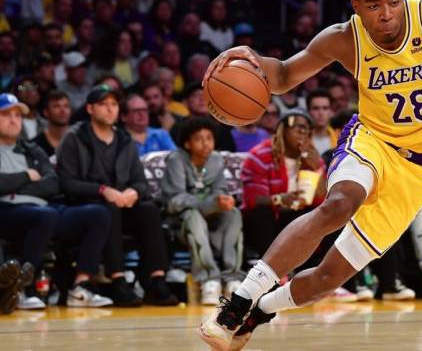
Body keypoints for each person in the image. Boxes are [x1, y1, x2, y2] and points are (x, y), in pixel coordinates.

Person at [199, 0, 422, 351]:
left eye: (393, 1)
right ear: (356, 6)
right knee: (338, 205)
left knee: (328, 277)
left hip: (420, 169)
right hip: (373, 139)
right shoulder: (344, 38)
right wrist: (249, 57)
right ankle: (237, 302)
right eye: (373, 5)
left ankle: (259, 313)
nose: (386, 13)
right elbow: (284, 75)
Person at [56, 84, 178, 306]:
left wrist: (133, 191)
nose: (110, 109)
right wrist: (103, 190)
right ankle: (117, 279)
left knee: (148, 210)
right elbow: (66, 183)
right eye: (103, 104)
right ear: (90, 109)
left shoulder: (124, 140)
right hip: (87, 206)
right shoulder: (73, 138)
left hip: (122, 204)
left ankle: (156, 279)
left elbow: (141, 182)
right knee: (109, 209)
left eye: (114, 104)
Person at [0, 93, 113, 309]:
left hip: (42, 209)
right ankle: (24, 289)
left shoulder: (32, 149)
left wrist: (15, 183)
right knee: (44, 216)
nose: (14, 119)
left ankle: (81, 287)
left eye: (17, 115)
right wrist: (26, 176)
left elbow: (53, 184)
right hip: (7, 211)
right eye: (6, 115)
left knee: (98, 213)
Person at [162, 117, 243, 305]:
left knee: (233, 214)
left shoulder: (216, 160)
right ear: (187, 143)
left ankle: (232, 277)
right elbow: (175, 201)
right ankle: (209, 279)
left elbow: (220, 191)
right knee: (193, 216)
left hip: (211, 218)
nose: (206, 143)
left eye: (209, 138)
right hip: (180, 223)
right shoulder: (176, 160)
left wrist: (223, 200)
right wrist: (210, 204)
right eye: (199, 138)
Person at [239, 109, 326, 262]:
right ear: (282, 130)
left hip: (297, 217)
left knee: (330, 217)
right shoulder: (260, 155)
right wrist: (279, 199)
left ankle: (334, 280)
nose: (302, 132)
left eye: (306, 128)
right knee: (261, 214)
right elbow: (252, 199)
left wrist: (316, 169)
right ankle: (272, 270)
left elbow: (322, 202)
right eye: (297, 126)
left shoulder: (312, 158)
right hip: (270, 220)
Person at [33, 90, 72, 157]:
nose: (62, 110)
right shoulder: (35, 145)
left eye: (66, 106)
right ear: (46, 112)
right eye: (56, 106)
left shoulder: (80, 141)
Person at [306, 89, 337, 155]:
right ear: (308, 111)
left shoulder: (340, 139)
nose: (321, 113)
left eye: (325, 108)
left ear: (331, 111)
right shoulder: (302, 140)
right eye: (316, 108)